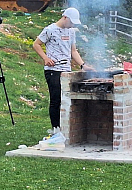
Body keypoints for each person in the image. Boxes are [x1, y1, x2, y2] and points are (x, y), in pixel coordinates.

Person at [32, 7, 92, 144]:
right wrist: (45, 58)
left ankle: (66, 127)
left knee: (66, 99)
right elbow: (36, 44)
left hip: (66, 69)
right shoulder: (50, 30)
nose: (72, 25)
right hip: (53, 70)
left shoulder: (71, 32)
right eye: (71, 22)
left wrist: (83, 65)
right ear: (65, 17)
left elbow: (73, 51)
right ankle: (55, 129)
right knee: (55, 99)